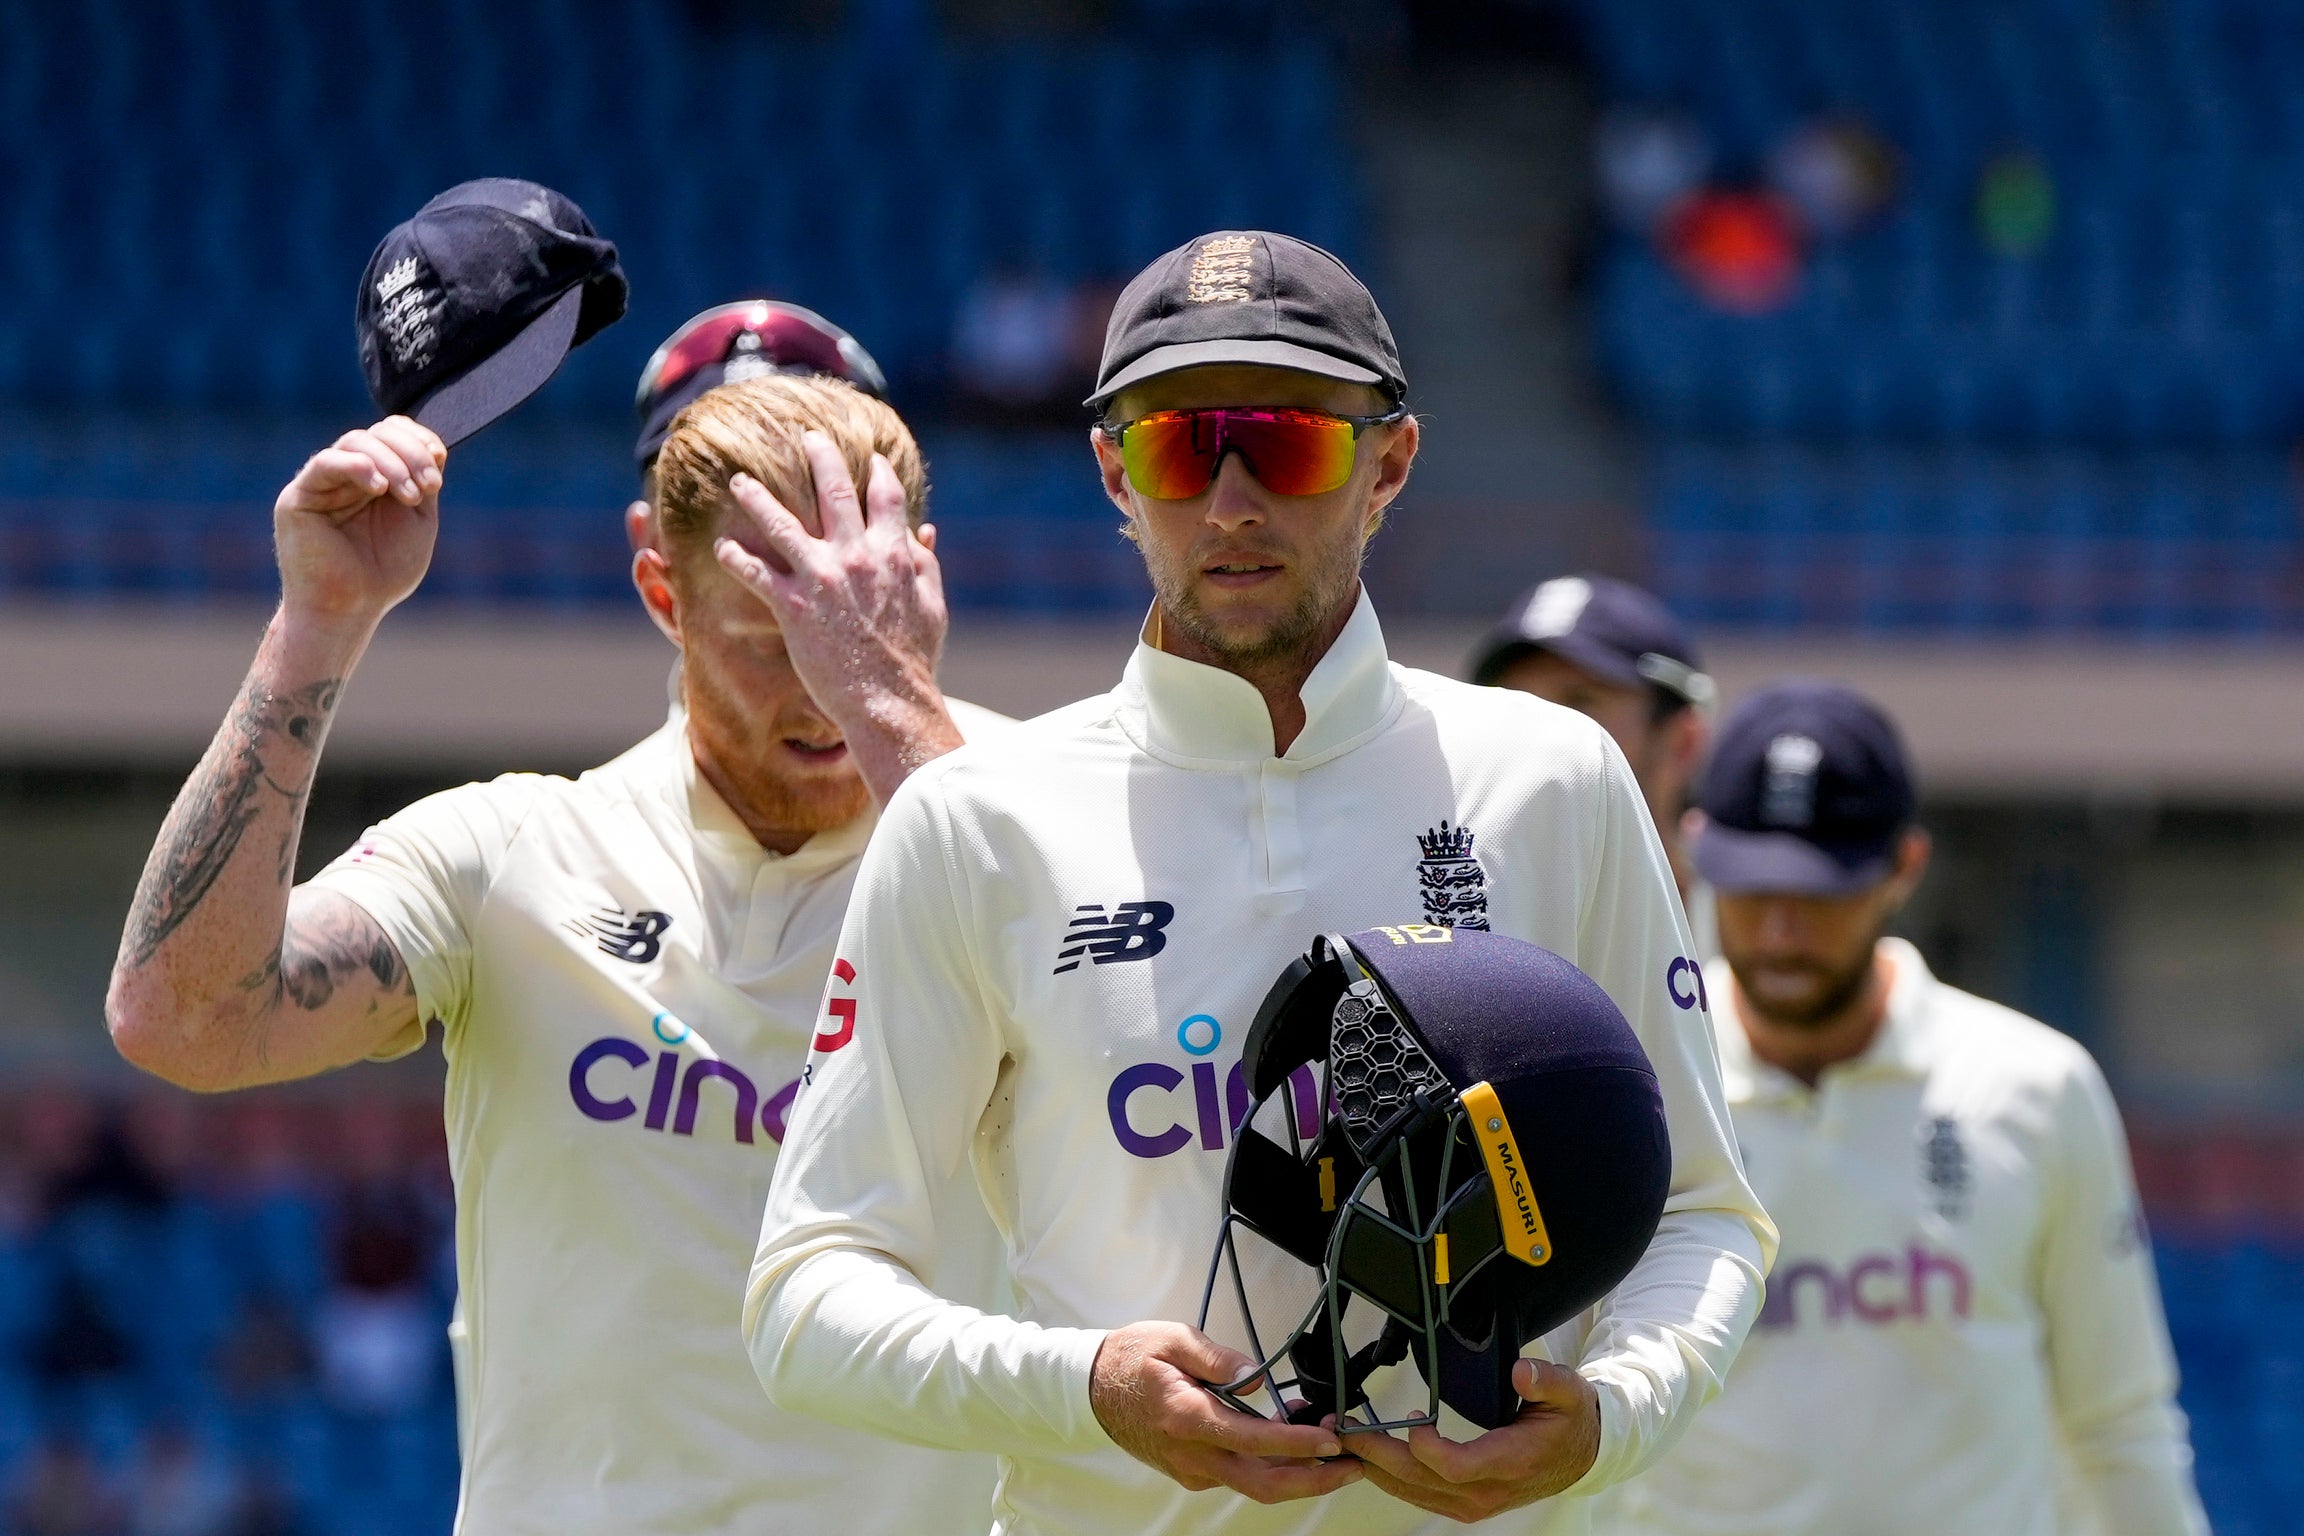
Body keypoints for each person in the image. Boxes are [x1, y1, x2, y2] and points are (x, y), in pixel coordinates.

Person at [744, 230, 1774, 1535]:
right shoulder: (975, 819)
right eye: (1181, 447)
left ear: (1387, 463)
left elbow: (1706, 1211)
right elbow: (806, 1295)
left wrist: (1618, 1411)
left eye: (1286, 444)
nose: (1231, 503)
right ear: (1115, 472)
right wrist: (1085, 1386)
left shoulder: (1555, 777)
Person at [104, 363, 1007, 1530]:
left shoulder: (1038, 837)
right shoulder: (511, 852)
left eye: (859, 627)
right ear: (663, 597)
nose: (824, 689)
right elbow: (181, 1018)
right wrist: (318, 621)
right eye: (769, 638)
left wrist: (897, 707)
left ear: (921, 583)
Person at [1606, 681, 2207, 1536]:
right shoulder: (1633, 1082)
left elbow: (2118, 1423)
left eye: (1820, 892)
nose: (1780, 931)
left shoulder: (2035, 1085)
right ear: (1697, 852)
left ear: (1905, 868)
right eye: (1754, 887)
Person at [1468, 574, 1713, 941]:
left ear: (1683, 743)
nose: (1532, 732)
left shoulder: (1764, 927)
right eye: (1512, 702)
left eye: (1580, 703)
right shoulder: (1449, 911)